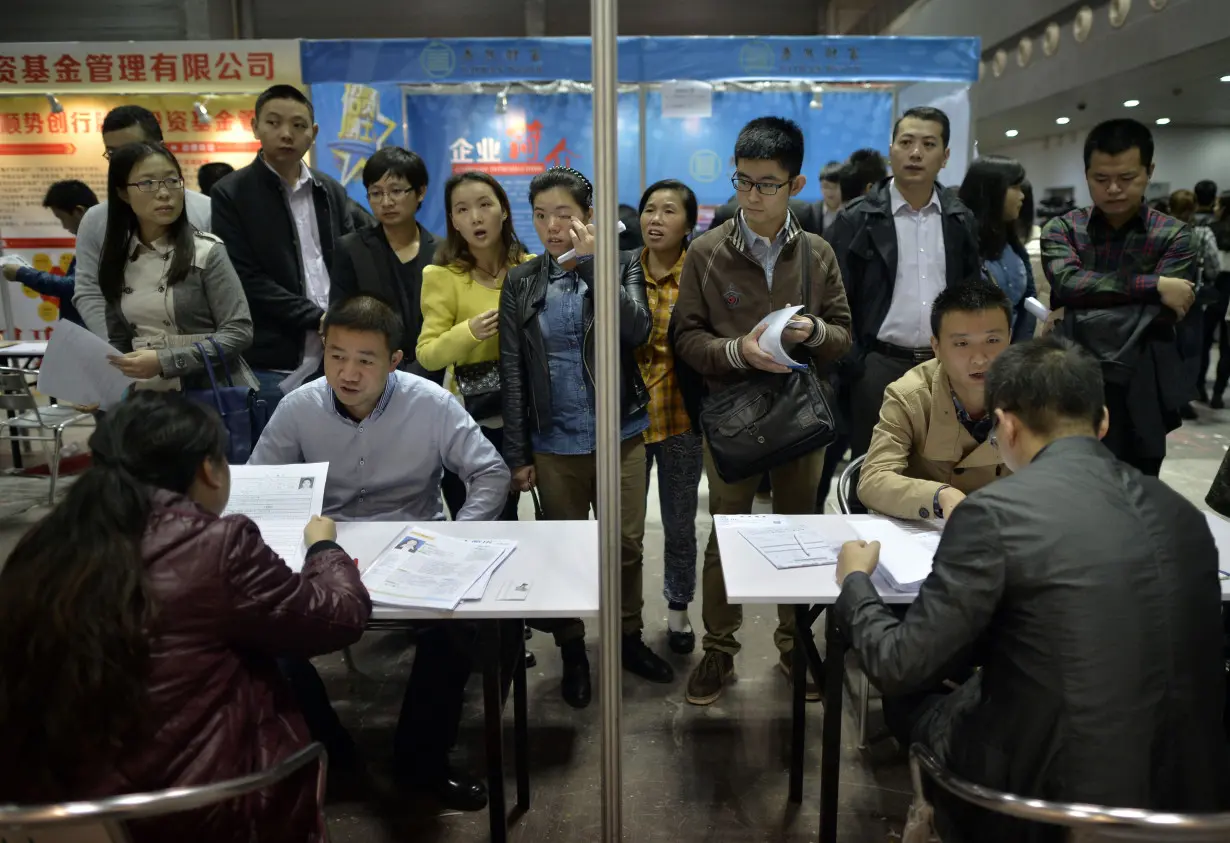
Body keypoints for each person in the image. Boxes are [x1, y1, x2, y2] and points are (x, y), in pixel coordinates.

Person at [835, 336, 1228, 843]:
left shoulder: (992, 515)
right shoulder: (1180, 513)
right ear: (1102, 422)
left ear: (1007, 425)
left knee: (911, 698)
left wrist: (856, 582)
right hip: (1189, 798)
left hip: (1045, 805)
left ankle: (934, 815)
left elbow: (896, 664)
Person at [0, 391, 371, 843]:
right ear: (208, 470)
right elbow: (340, 617)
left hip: (56, 810)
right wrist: (324, 548)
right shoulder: (216, 546)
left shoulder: (43, 543)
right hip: (200, 810)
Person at [249, 294, 512, 811]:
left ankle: (422, 761)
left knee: (456, 630)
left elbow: (490, 472)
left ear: (394, 360)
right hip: (323, 552)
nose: (347, 373)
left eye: (365, 360)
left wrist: (458, 541)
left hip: (415, 546)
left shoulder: (431, 404)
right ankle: (331, 754)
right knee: (264, 633)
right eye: (336, 355)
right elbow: (263, 485)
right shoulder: (298, 407)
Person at [673, 116, 852, 706]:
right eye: (743, 181)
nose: (751, 196)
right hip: (733, 416)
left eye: (766, 184)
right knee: (727, 532)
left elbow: (846, 336)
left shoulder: (818, 253)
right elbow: (687, 338)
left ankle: (795, 645)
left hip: (801, 416)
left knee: (799, 533)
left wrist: (812, 330)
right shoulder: (705, 251)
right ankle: (718, 651)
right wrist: (738, 350)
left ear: (795, 183)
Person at [501, 166, 672, 707]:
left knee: (624, 545)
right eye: (541, 215)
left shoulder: (621, 264)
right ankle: (574, 648)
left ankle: (626, 638)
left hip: (619, 435)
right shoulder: (522, 281)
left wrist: (594, 265)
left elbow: (637, 329)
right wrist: (518, 453)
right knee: (565, 550)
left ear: (589, 217)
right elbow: (512, 370)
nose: (553, 226)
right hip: (553, 442)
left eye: (565, 214)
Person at [1041, 118, 1195, 476]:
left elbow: (1167, 314)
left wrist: (1077, 311)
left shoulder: (1174, 235)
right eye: (1101, 179)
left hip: (1144, 381)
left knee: (1138, 491)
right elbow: (1067, 283)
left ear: (1149, 170)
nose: (1113, 189)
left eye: (1127, 178)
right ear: (1086, 173)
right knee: (1068, 482)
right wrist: (1154, 287)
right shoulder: (1063, 228)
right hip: (1070, 379)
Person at [828, 107, 981, 461]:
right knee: (874, 470)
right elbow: (836, 299)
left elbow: (972, 292)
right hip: (877, 364)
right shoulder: (856, 219)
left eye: (928, 144)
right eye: (906, 142)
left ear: (944, 157)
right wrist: (854, 364)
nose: (915, 153)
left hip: (945, 366)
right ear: (891, 150)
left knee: (941, 468)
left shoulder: (959, 218)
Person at [211, 84, 358, 416]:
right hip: (273, 359)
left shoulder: (329, 189)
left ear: (314, 133)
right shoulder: (231, 193)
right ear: (255, 126)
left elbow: (350, 260)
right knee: (275, 463)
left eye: (298, 125)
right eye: (274, 123)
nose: (286, 134)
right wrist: (316, 317)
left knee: (336, 460)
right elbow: (243, 277)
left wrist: (343, 316)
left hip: (336, 356)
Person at [418, 170, 533, 522]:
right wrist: (469, 331)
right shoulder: (442, 276)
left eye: (485, 205)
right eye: (462, 209)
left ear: (504, 210)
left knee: (510, 516)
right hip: (469, 416)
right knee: (477, 517)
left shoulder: (530, 269)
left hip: (523, 412)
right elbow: (428, 353)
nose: (476, 217)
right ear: (453, 220)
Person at [98, 142, 256, 392]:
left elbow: (239, 331)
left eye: (172, 181)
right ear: (123, 193)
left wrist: (166, 360)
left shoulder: (207, 251)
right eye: (147, 183)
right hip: (149, 400)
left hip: (211, 395)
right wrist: (103, 387)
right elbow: (120, 341)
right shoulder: (118, 260)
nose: (163, 193)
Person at [858, 277, 1011, 520]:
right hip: (930, 532)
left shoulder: (1032, 392)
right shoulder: (911, 395)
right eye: (961, 343)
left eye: (992, 341)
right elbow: (873, 479)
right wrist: (940, 496)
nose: (979, 359)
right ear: (936, 347)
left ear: (1010, 338)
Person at [74, 106, 213, 338]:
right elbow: (89, 291)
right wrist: (116, 347)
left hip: (198, 351)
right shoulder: (96, 220)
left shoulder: (206, 211)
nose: (121, 163)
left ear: (161, 147)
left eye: (132, 150)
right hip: (130, 356)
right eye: (112, 153)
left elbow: (224, 295)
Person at [636, 178, 704, 654]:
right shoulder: (620, 270)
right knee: (626, 530)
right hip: (627, 422)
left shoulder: (702, 274)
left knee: (680, 525)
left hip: (682, 418)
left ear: (689, 223)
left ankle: (678, 614)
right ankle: (626, 619)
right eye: (649, 210)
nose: (655, 219)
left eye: (668, 211)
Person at [330, 146, 440, 381]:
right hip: (373, 375)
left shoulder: (443, 252)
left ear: (420, 192)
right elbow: (340, 318)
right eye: (376, 193)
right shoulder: (350, 248)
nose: (386, 202)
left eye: (396, 191)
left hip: (435, 375)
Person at [958, 156, 1038, 341]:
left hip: (1012, 356)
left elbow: (1028, 300)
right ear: (993, 190)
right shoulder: (960, 243)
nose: (1022, 196)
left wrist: (1018, 352)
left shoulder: (1012, 244)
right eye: (1015, 187)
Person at [2, 179, 97, 327]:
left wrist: (22, 273)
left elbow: (74, 286)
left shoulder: (101, 241)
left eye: (62, 218)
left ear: (79, 211)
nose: (64, 226)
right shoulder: (94, 239)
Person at [1170, 189, 1222, 415]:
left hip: (1160, 299)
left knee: (1165, 347)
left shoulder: (1157, 233)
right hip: (1190, 299)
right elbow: (1213, 268)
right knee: (1191, 351)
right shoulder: (1202, 234)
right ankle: (1184, 400)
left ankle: (1165, 396)